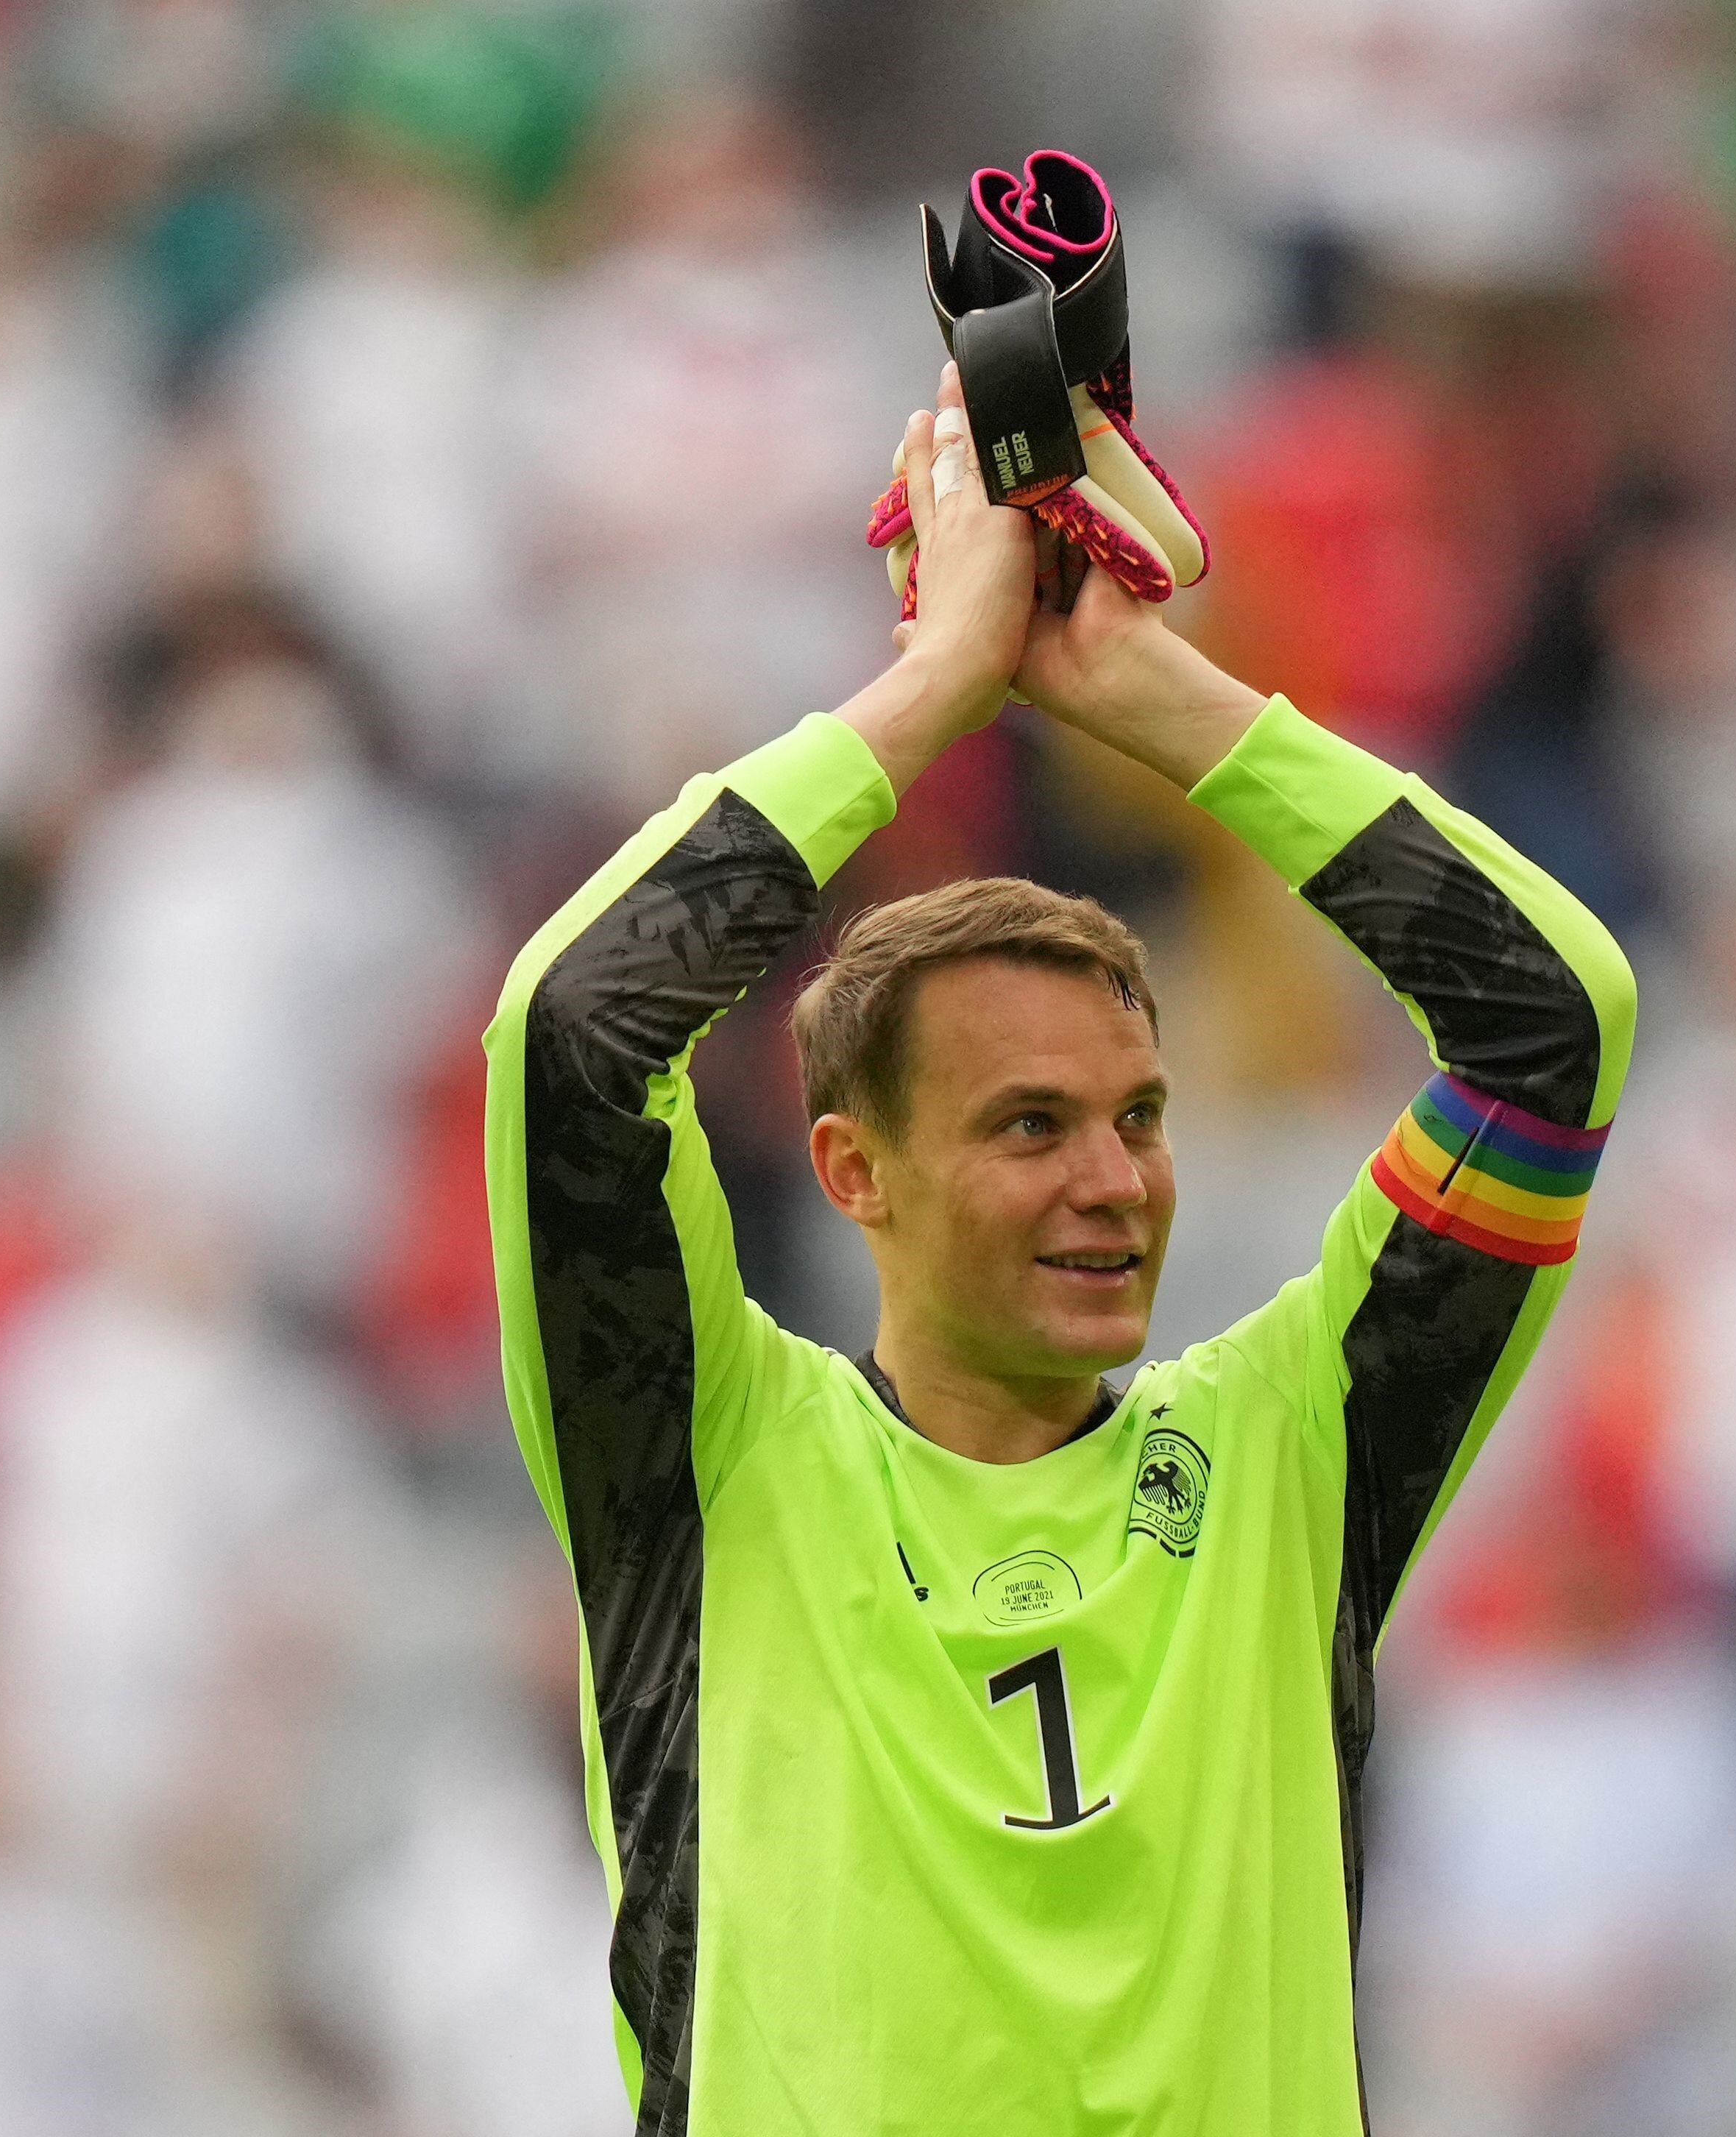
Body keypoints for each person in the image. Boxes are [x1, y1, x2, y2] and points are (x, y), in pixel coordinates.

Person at [482, 362, 1636, 2131]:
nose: (1115, 1180)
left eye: (1141, 1117)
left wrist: (1154, 696)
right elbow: (578, 1032)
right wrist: (936, 684)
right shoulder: (711, 1465)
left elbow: (1554, 1022)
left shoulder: (1290, 1455)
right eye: (1031, 1126)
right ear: (854, 1174)